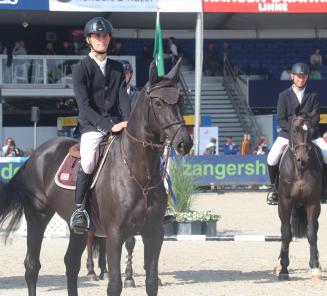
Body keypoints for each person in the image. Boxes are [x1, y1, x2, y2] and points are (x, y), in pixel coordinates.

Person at [70, 17, 131, 233]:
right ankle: (80, 210)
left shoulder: (117, 68)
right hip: (92, 127)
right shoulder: (80, 69)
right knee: (87, 162)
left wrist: (128, 122)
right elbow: (84, 106)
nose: (102, 39)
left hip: (117, 124)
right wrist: (107, 126)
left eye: (105, 35)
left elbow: (123, 98)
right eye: (97, 36)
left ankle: (161, 204)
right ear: (88, 40)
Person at [266, 62, 327, 205]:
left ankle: (324, 189)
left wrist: (308, 129)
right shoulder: (284, 95)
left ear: (307, 78)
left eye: (304, 77)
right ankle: (275, 190)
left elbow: (317, 117)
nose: (301, 79)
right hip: (288, 134)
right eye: (299, 77)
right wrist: (293, 131)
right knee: (271, 158)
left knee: (326, 155)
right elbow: (281, 118)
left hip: (311, 134)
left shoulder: (313, 96)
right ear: (292, 77)